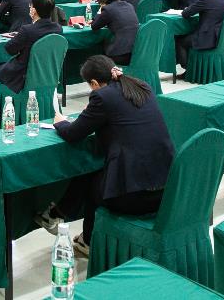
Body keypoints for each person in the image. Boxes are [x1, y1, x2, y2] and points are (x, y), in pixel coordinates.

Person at [34, 55, 174, 257]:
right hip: (166, 189)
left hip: (136, 197)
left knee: (91, 178)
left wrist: (60, 121)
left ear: (93, 83)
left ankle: (86, 239)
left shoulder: (102, 97)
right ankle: (58, 216)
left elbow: (73, 134)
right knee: (96, 170)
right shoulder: (141, 86)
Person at [0, 0, 62, 116]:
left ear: (34, 10)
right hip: (47, 72)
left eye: (30, 6)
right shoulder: (58, 29)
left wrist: (19, 38)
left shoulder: (27, 30)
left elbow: (10, 49)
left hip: (23, 74)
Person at [179, 0, 224, 67]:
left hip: (207, 38)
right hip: (221, 36)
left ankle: (188, 70)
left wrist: (187, 9)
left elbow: (185, 14)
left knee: (180, 42)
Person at [90, 0, 139, 65]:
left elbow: (94, 26)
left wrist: (100, 11)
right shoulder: (129, 5)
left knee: (99, 55)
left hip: (119, 53)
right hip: (135, 50)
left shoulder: (107, 9)